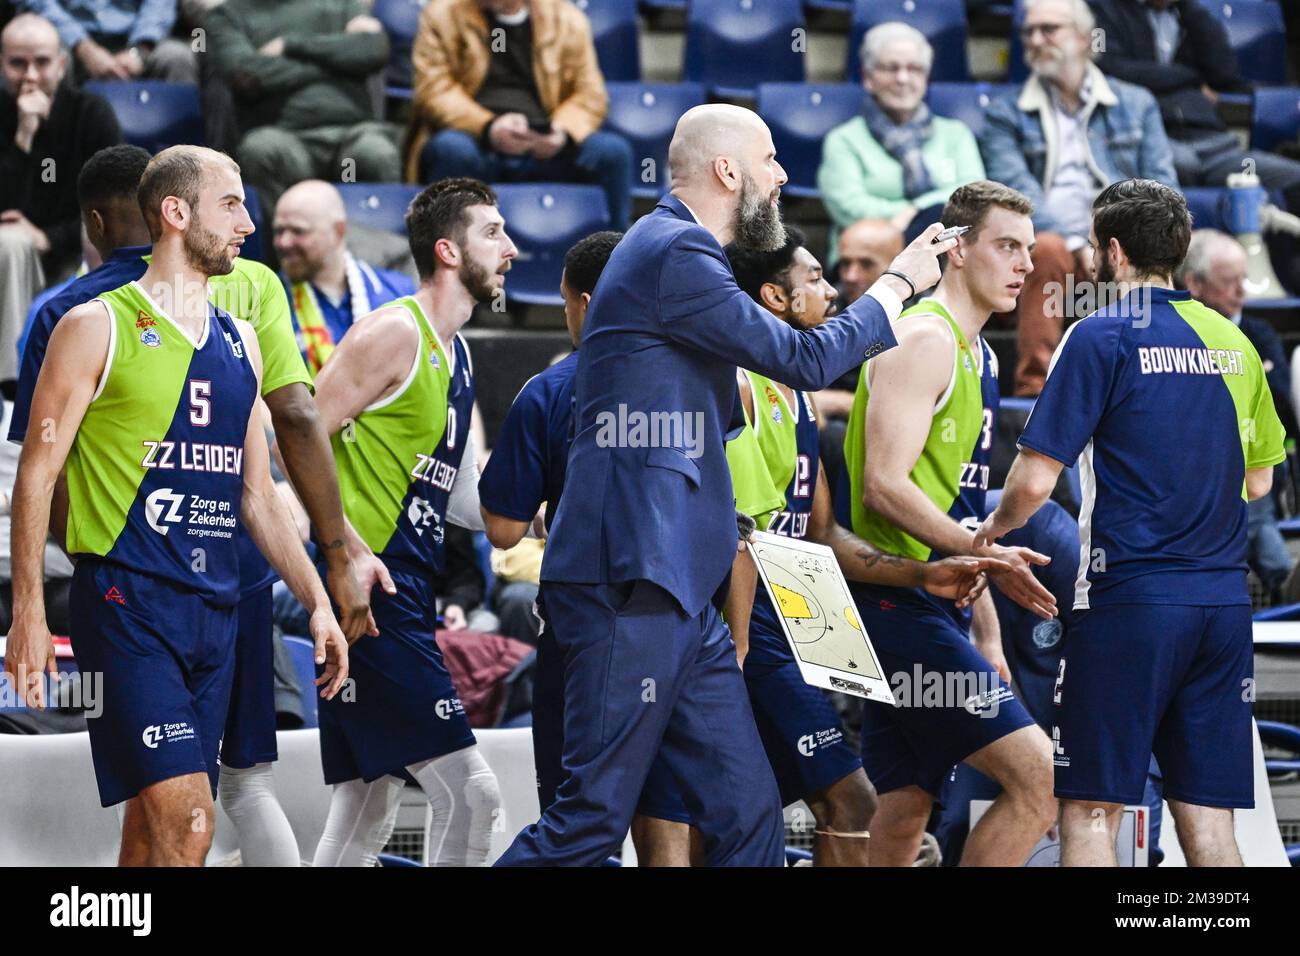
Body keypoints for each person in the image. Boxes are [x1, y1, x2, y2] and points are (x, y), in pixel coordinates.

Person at [494, 103, 960, 867]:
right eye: (771, 159)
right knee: (589, 823)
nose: (782, 176)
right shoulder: (673, 249)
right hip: (631, 579)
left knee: (750, 822)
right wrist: (897, 286)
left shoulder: (680, 264)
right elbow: (806, 360)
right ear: (728, 170)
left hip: (685, 587)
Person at [9, 143, 383, 868]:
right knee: (189, 824)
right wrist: (28, 610)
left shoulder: (239, 337)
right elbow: (35, 475)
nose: (250, 222)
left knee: (155, 837)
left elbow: (258, 498)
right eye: (232, 205)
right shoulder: (95, 324)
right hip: (127, 602)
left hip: (216, 612)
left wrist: (314, 599)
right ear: (175, 214)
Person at [636, 228, 1005, 867]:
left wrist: (926, 575)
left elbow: (822, 536)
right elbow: (744, 539)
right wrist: (742, 654)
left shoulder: (797, 393)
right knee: (850, 801)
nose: (832, 290)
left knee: (739, 817)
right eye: (814, 279)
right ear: (774, 297)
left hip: (797, 615)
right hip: (744, 631)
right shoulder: (741, 388)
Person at [977, 178, 1286, 867]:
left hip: (1130, 603)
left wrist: (988, 533)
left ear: (1111, 252)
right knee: (1209, 826)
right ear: (1178, 252)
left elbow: (1032, 482)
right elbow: (1260, 479)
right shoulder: (1234, 342)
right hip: (1223, 607)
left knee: (1089, 810)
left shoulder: (1099, 335)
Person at [842, 180, 1060, 867]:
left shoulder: (982, 354)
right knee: (1037, 779)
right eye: (1006, 246)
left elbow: (962, 512)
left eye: (1028, 249)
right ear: (956, 251)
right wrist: (984, 555)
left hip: (938, 603)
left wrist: (988, 627)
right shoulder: (923, 338)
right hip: (888, 599)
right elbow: (882, 486)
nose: (1024, 264)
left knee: (903, 807)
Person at [308, 177, 509, 868]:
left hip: (412, 589)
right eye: (493, 233)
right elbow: (295, 444)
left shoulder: (460, 352)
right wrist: (347, 552)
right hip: (373, 594)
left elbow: (457, 498)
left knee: (368, 802)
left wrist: (546, 515)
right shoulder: (395, 330)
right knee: (473, 794)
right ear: (448, 250)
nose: (510, 248)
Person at [981, 0, 1178, 396]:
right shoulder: (1005, 113)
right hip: (1053, 249)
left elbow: (1161, 189)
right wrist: (1083, 245)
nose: (1036, 40)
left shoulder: (1136, 103)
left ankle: (1146, 383)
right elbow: (1018, 194)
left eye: (1049, 29)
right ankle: (1036, 390)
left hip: (1121, 245)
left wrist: (1112, 245)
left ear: (1086, 39)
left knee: (1167, 250)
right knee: (1045, 249)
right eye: (1029, 32)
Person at [407, 0, 632, 230]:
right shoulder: (442, 14)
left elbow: (591, 95)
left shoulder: (567, 20)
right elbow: (432, 90)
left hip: (544, 146)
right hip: (476, 142)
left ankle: (614, 260)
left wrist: (562, 131)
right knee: (450, 149)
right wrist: (489, 127)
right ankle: (451, 258)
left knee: (613, 153)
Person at [1091, 0, 1300, 216]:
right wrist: (1191, 77)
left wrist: (1190, 9)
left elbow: (1225, 75)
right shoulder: (1105, 8)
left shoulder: (1187, 15)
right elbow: (1109, 67)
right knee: (1184, 165)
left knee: (1295, 178)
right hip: (1159, 141)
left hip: (1216, 146)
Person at [1176, 229, 1296, 601]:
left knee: (1248, 477)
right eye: (1229, 282)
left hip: (1253, 450)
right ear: (1194, 283)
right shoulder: (1178, 330)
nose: (1242, 291)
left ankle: (1275, 580)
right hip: (1194, 457)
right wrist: (1248, 371)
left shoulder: (1257, 330)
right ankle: (1280, 580)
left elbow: (1277, 396)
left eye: (1243, 279)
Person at [1, 12, 120, 383]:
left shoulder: (92, 113)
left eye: (41, 62)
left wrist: (49, 238)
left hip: (77, 249)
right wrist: (24, 136)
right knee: (9, 242)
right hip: (10, 256)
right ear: (1, 64)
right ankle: (11, 388)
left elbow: (112, 208)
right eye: (18, 63)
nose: (30, 75)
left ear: (62, 64)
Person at [206, 0, 401, 219]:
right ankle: (281, 251)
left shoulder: (343, 4)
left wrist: (291, 45)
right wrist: (339, 63)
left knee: (377, 153)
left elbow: (374, 49)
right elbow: (247, 75)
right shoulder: (227, 15)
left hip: (353, 133)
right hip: (287, 138)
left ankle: (380, 250)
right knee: (260, 150)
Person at [817, 21, 985, 265]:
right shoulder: (844, 139)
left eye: (914, 68)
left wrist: (916, 210)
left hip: (948, 254)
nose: (903, 78)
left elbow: (973, 198)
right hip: (869, 262)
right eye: (890, 68)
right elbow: (849, 209)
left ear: (926, 78)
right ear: (868, 77)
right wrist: (919, 217)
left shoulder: (956, 135)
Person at [272, 179, 415, 376]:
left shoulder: (400, 295)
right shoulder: (267, 302)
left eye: (298, 231)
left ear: (338, 231)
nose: (284, 242)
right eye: (279, 231)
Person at [19, 0, 197, 83]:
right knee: (50, 61)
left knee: (177, 57)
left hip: (138, 39)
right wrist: (83, 46)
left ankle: (181, 155)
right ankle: (53, 152)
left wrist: (139, 50)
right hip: (69, 40)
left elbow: (159, 5)